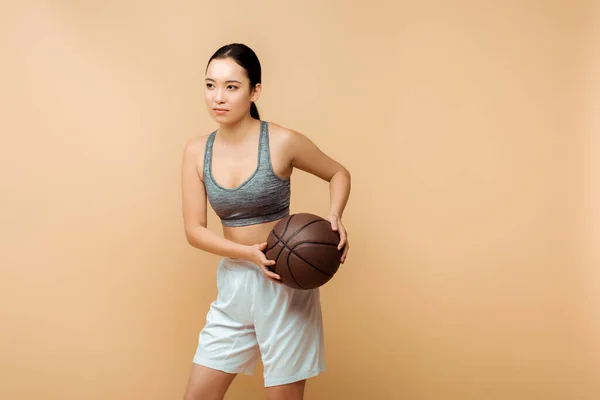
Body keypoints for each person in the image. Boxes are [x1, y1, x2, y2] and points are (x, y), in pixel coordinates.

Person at [181, 43, 351, 400]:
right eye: (210, 85)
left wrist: (334, 216)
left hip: (286, 284)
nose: (218, 97)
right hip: (235, 285)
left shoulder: (282, 141)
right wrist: (247, 255)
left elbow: (337, 172)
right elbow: (194, 231)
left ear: (254, 90)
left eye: (231, 86)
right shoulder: (197, 151)